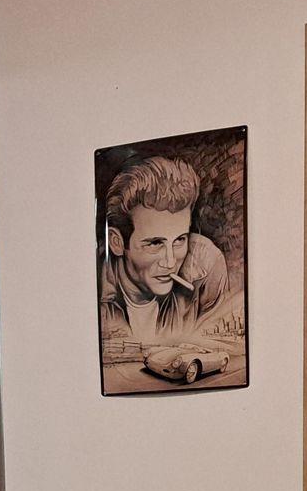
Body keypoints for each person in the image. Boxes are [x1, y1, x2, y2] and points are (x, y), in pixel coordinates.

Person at [98, 154, 243, 385]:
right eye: (155, 243)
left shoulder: (206, 266)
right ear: (116, 243)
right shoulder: (93, 283)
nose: (169, 261)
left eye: (179, 240)